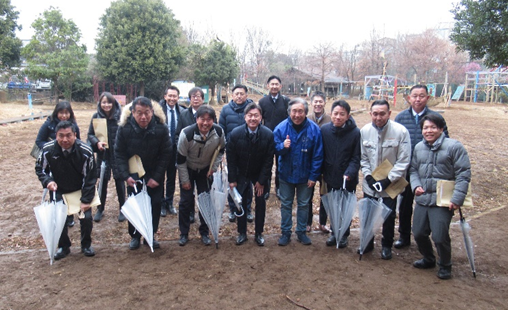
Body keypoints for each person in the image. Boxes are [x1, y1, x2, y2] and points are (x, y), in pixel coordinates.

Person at [410, 114, 471, 280]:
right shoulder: (418, 148)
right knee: (419, 233)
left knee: (439, 235)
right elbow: (413, 170)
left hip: (443, 201)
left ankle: (445, 265)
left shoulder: (454, 147)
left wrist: (457, 198)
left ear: (441, 129)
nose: (429, 131)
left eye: (433, 127)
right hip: (423, 199)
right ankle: (428, 258)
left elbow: (463, 174)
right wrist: (415, 185)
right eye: (425, 128)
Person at [394, 85, 449, 249]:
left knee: (426, 204)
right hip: (405, 170)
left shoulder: (435, 118)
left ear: (427, 98)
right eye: (414, 96)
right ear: (409, 98)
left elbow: (445, 142)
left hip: (428, 170)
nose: (418, 99)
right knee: (404, 205)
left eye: (421, 96)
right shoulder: (401, 118)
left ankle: (426, 236)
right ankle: (404, 236)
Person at [115, 97, 172, 250]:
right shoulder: (124, 128)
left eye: (147, 113)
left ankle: (150, 235)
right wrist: (126, 176)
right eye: (139, 113)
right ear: (132, 113)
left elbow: (166, 153)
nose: (143, 117)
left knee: (154, 205)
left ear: (152, 112)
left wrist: (157, 177)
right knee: (136, 205)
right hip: (134, 174)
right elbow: (119, 153)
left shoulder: (161, 128)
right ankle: (135, 235)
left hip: (154, 174)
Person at [35, 121, 97, 260]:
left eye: (68, 135)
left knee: (86, 218)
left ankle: (86, 245)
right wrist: (48, 181)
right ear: (55, 136)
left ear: (75, 135)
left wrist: (86, 200)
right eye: (61, 136)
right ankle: (64, 246)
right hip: (58, 189)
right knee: (58, 219)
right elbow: (40, 168)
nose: (65, 139)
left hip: (80, 188)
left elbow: (91, 177)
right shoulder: (47, 150)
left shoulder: (86, 151)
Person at [360, 99, 411, 260]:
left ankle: (387, 245)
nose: (378, 117)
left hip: (391, 183)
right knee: (368, 213)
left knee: (388, 215)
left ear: (389, 113)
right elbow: (363, 157)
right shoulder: (365, 131)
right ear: (370, 114)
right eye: (375, 114)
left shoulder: (401, 132)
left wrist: (388, 180)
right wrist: (368, 176)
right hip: (371, 182)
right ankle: (367, 243)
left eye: (382, 113)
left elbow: (404, 160)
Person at [273, 98, 323, 246]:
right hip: (286, 175)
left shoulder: (314, 130)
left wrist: (314, 176)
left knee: (303, 204)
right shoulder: (281, 128)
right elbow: (274, 149)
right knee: (286, 204)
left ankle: (301, 231)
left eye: (300, 111)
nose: (297, 115)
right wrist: (283, 146)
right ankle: (286, 232)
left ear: (306, 112)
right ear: (289, 112)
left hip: (305, 176)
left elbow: (318, 155)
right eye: (294, 111)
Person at [177, 105, 226, 246]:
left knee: (206, 201)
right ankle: (184, 233)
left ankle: (204, 232)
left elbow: (221, 150)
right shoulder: (186, 133)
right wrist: (185, 180)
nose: (205, 123)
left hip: (205, 171)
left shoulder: (218, 131)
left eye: (209, 120)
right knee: (186, 202)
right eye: (202, 119)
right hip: (188, 168)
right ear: (196, 119)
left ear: (213, 120)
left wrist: (213, 167)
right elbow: (180, 160)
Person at [227, 103, 274, 246]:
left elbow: (268, 161)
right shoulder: (235, 133)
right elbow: (231, 158)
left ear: (260, 117)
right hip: (241, 173)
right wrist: (233, 179)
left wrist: (261, 181)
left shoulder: (268, 134)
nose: (253, 118)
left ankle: (259, 233)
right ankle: (242, 233)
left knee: (260, 202)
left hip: (259, 174)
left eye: (256, 115)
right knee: (240, 203)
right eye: (250, 115)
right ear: (245, 117)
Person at [321, 100, 361, 248]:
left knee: (345, 207)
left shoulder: (355, 133)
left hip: (347, 178)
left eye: (342, 114)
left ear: (348, 116)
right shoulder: (325, 130)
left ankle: (344, 234)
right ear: (331, 114)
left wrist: (350, 172)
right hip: (330, 175)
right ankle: (334, 232)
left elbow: (356, 157)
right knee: (332, 206)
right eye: (335, 113)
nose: (338, 117)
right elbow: (321, 153)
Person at [35, 100, 81, 228]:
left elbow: (79, 143)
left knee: (70, 188)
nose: (64, 116)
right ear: (57, 113)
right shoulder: (49, 124)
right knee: (55, 188)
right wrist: (54, 147)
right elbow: (39, 140)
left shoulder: (73, 125)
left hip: (70, 160)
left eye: (66, 113)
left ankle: (70, 215)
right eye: (61, 113)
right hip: (54, 160)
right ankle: (59, 215)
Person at [175, 87, 215, 223]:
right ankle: (189, 215)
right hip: (187, 159)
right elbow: (177, 135)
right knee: (186, 195)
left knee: (205, 196)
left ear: (203, 99)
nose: (196, 98)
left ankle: (204, 225)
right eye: (193, 96)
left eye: (198, 96)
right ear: (190, 99)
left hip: (204, 162)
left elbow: (218, 143)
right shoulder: (184, 114)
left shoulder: (209, 115)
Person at [87, 92, 126, 223]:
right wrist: (96, 143)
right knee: (102, 182)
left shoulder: (121, 116)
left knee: (120, 181)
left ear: (114, 103)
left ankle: (123, 208)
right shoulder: (96, 117)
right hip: (103, 154)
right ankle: (100, 208)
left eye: (109, 102)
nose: (106, 105)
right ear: (100, 103)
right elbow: (90, 135)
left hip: (118, 155)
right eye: (104, 102)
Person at [219, 84, 255, 223]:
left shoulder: (252, 108)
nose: (239, 96)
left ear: (246, 95)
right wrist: (223, 149)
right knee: (232, 180)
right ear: (232, 95)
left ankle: (248, 209)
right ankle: (234, 209)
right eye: (236, 94)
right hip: (232, 151)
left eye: (242, 93)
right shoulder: (226, 109)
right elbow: (221, 129)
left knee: (248, 181)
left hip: (250, 151)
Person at [258, 75, 290, 199]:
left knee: (280, 164)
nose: (274, 86)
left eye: (277, 84)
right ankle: (266, 189)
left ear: (280, 86)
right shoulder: (262, 102)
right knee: (267, 164)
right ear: (268, 86)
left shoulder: (286, 101)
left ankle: (279, 188)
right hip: (267, 137)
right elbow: (260, 120)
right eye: (272, 84)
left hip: (282, 138)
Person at [306, 91, 332, 233]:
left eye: (320, 101)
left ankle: (323, 222)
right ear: (311, 103)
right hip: (310, 163)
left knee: (325, 195)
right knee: (307, 195)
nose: (318, 104)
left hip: (326, 164)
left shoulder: (330, 119)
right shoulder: (306, 119)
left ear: (324, 103)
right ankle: (307, 222)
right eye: (315, 101)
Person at [159, 85, 186, 217]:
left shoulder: (182, 111)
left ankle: (169, 202)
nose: (172, 98)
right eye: (169, 96)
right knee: (160, 176)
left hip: (175, 148)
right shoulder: (157, 110)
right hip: (161, 149)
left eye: (174, 96)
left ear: (178, 97)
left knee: (171, 176)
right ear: (165, 97)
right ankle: (161, 203)